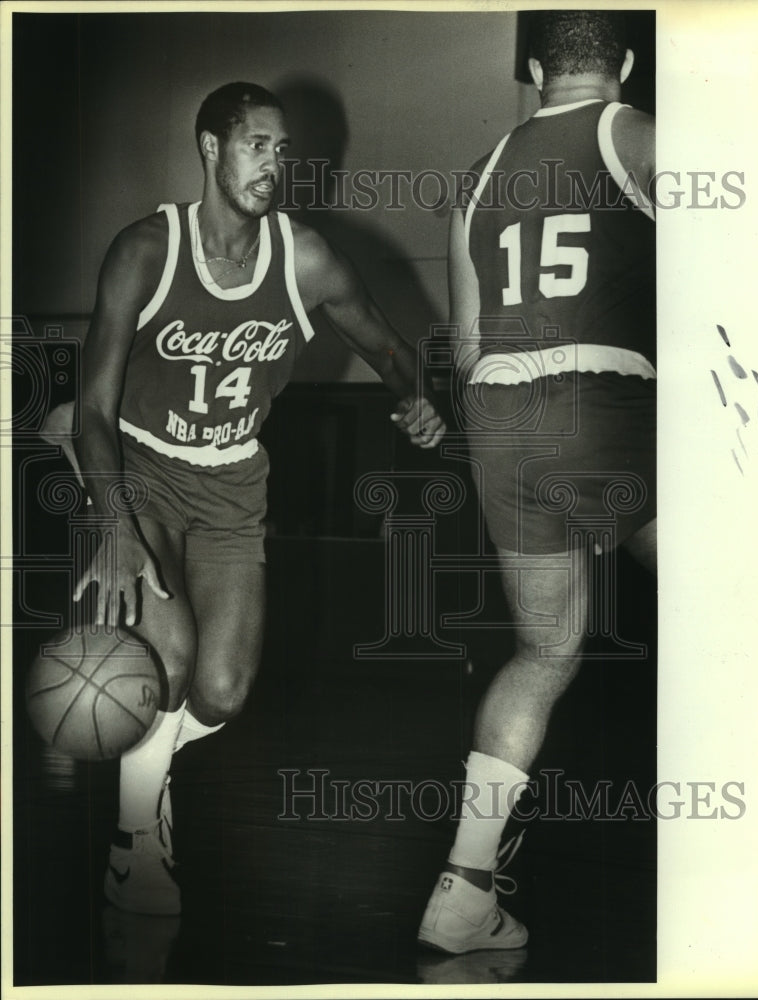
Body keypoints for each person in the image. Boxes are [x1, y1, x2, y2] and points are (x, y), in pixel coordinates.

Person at [43, 81, 445, 916]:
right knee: (170, 657)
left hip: (233, 479)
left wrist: (417, 397)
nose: (275, 164)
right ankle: (133, 842)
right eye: (258, 144)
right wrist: (113, 524)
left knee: (221, 692)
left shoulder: (306, 260)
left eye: (284, 150)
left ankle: (141, 762)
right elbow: (94, 406)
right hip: (142, 464)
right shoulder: (146, 250)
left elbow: (385, 345)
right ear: (211, 148)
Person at [418, 10, 656, 953]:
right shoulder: (635, 132)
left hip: (503, 420)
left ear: (530, 68)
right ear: (626, 63)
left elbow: (468, 348)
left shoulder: (476, 180)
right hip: (607, 402)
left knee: (546, 652)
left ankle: (463, 890)